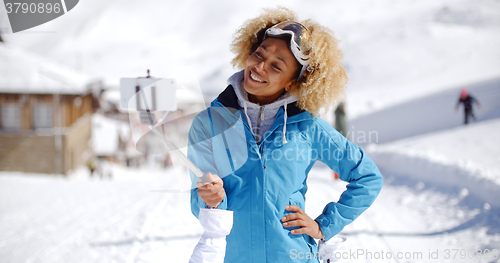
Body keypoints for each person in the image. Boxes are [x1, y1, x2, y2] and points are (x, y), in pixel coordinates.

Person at [188, 7, 383, 262]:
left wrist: (323, 226)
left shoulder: (308, 127)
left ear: (292, 82)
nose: (259, 67)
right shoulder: (209, 124)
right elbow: (197, 198)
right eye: (259, 54)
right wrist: (210, 200)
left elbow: (367, 177)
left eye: (276, 66)